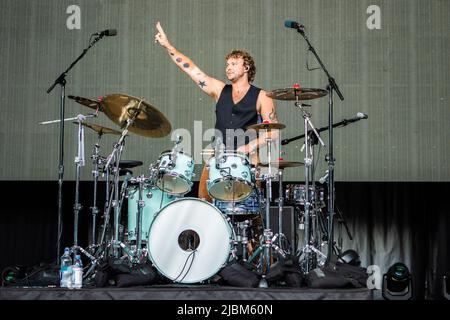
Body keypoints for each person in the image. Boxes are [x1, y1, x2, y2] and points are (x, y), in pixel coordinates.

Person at [154, 22, 280, 202]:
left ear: (246, 68)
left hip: (247, 161)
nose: (228, 67)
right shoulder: (220, 90)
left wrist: (249, 147)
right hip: (217, 158)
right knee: (206, 206)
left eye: (234, 63)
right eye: (227, 64)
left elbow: (273, 132)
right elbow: (192, 69)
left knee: (249, 213)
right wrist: (168, 46)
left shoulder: (262, 96)